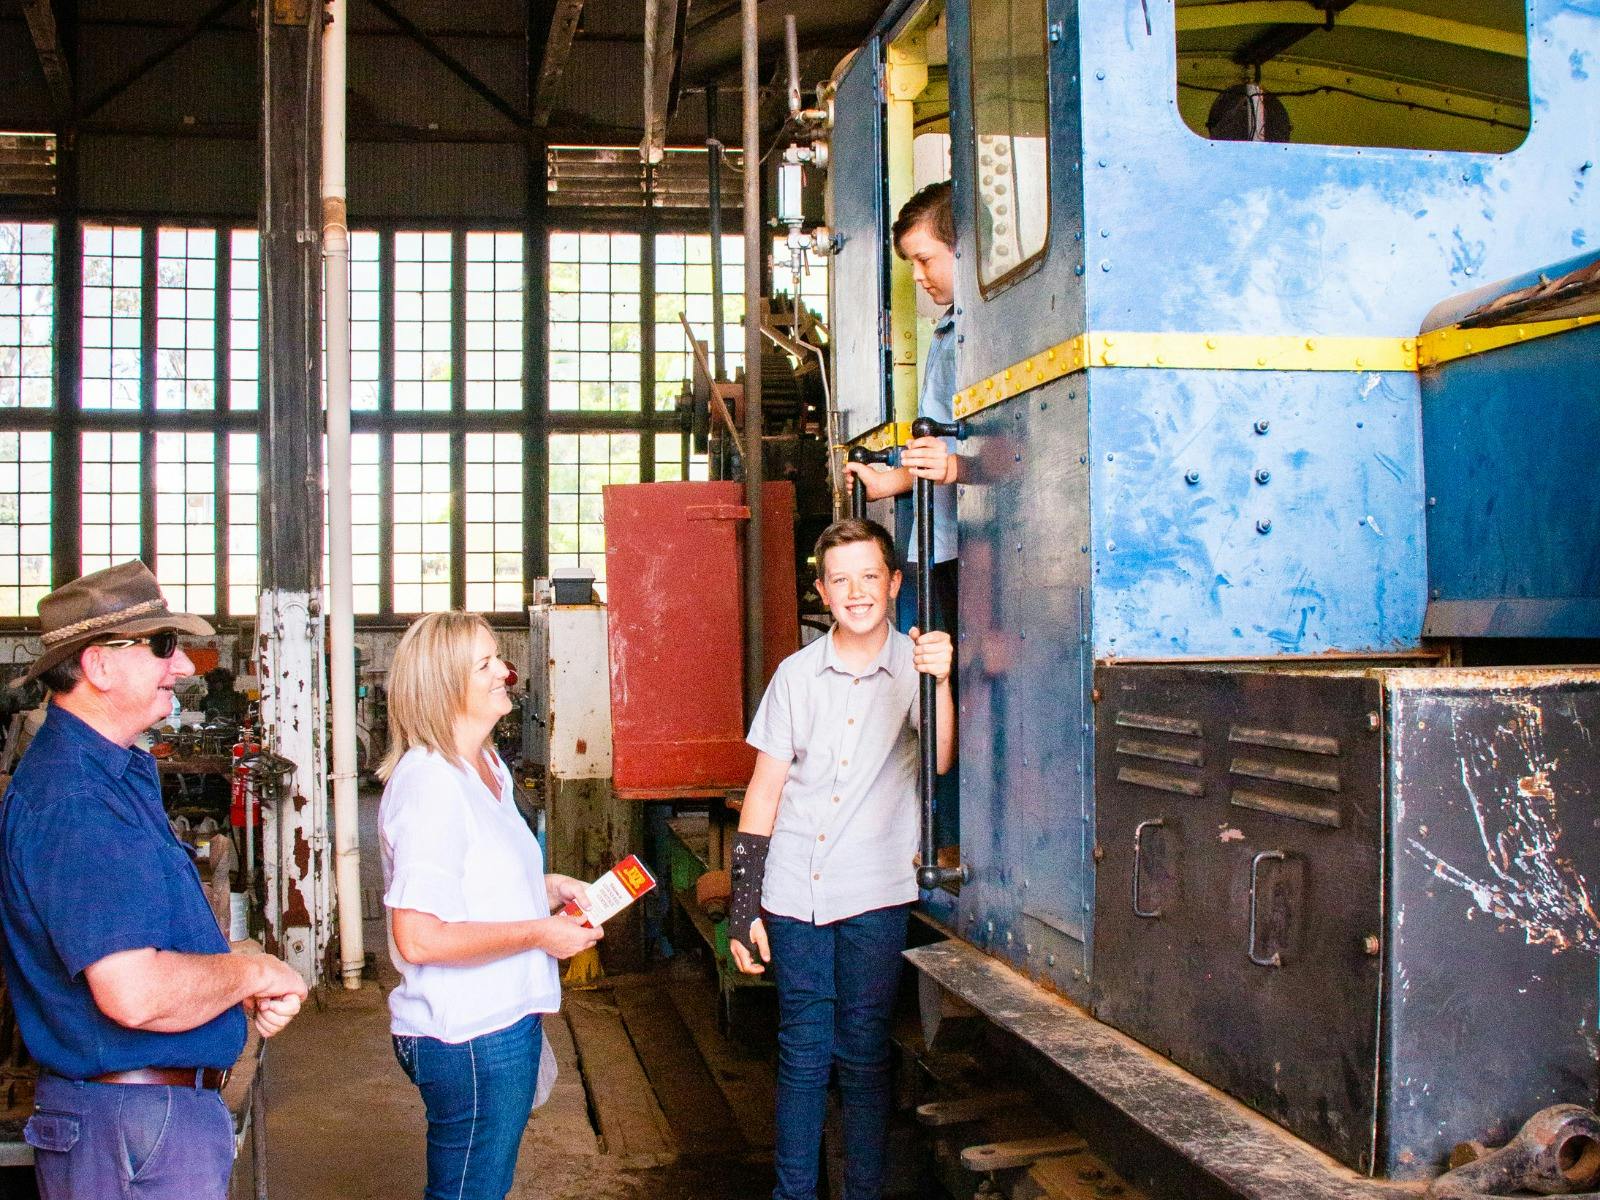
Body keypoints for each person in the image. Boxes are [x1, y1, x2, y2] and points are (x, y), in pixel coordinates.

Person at [0, 560, 308, 1200]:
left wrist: (220, 980)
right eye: (163, 646)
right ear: (99, 665)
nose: (187, 666)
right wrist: (250, 973)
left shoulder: (114, 777)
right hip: (132, 1126)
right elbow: (134, 992)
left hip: (144, 1122)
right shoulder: (78, 800)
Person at [728, 519, 954, 1200]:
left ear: (893, 584)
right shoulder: (796, 677)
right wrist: (744, 910)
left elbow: (939, 762)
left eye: (868, 577)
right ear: (823, 592)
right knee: (802, 1054)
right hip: (794, 890)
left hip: (874, 893)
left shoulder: (915, 667)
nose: (855, 591)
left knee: (863, 1056)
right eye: (840, 579)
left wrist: (940, 683)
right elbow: (764, 792)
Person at [378, 611, 603, 1200]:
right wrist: (539, 933)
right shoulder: (431, 785)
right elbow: (419, 937)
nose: (506, 670)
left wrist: (546, 887)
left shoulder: (486, 767)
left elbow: (472, 878)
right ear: (444, 686)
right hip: (468, 1034)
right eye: (485, 664)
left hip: (500, 1019)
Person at [842, 179, 960, 636]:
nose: (916, 274)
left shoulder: (975, 334)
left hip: (967, 540)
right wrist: (885, 483)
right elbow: (938, 453)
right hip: (941, 535)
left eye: (925, 259)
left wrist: (952, 467)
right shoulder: (948, 330)